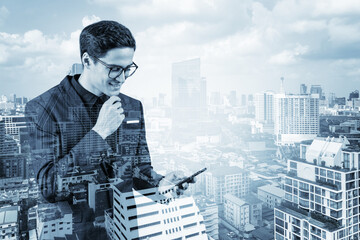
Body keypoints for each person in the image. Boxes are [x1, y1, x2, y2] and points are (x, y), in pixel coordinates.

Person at [25, 20, 189, 203]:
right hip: (75, 230)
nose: (122, 78)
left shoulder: (132, 107)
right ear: (87, 61)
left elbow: (137, 169)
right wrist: (99, 133)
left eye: (128, 69)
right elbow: (49, 188)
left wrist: (161, 183)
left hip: (126, 226)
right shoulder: (43, 109)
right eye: (114, 69)